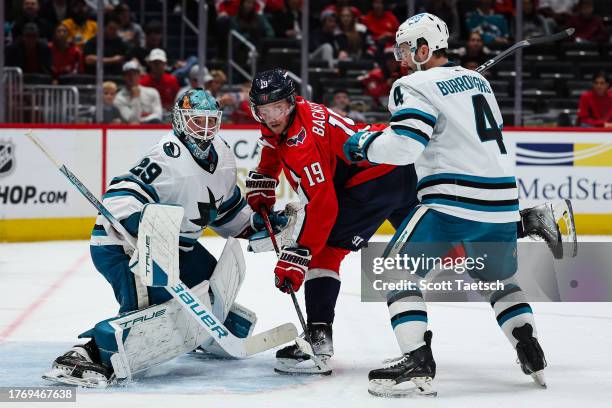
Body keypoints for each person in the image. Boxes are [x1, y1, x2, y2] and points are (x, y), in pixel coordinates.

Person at [246, 69, 571, 376]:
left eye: (279, 107)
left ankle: (317, 342)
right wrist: (265, 174)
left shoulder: (302, 142)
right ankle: (531, 221)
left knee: (324, 252)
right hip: (398, 170)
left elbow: (324, 206)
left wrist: (299, 254)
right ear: (258, 110)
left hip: (371, 183)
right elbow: (275, 141)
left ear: (291, 101)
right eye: (266, 110)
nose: (273, 116)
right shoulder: (294, 116)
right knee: (447, 250)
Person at [343, 13, 548, 397]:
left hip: (453, 200)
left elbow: (406, 146)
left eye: (406, 49)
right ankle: (529, 347)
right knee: (498, 280)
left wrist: (364, 145)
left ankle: (417, 361)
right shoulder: (479, 81)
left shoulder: (411, 83)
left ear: (424, 48)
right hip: (503, 202)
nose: (401, 58)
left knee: (393, 273)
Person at [43, 88, 287, 387]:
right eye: (198, 121)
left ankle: (201, 330)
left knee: (210, 285)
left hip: (177, 246)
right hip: (124, 247)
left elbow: (226, 211)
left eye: (211, 121)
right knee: (152, 310)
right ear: (180, 121)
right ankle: (85, 352)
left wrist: (255, 224)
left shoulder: (222, 152)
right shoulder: (166, 156)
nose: (206, 129)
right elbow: (120, 197)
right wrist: (143, 227)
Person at [114, 60, 163, 124]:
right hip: (130, 132)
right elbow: (132, 120)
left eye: (135, 73)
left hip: (151, 127)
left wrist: (142, 121)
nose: (132, 77)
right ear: (124, 77)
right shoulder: (118, 98)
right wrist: (136, 97)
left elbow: (158, 115)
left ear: (139, 75)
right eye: (128, 74)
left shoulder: (152, 92)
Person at [140, 48, 181, 116]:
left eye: (160, 63)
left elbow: (177, 101)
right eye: (155, 63)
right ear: (150, 64)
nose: (158, 65)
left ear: (165, 63)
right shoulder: (143, 82)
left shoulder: (172, 80)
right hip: (150, 116)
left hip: (169, 115)